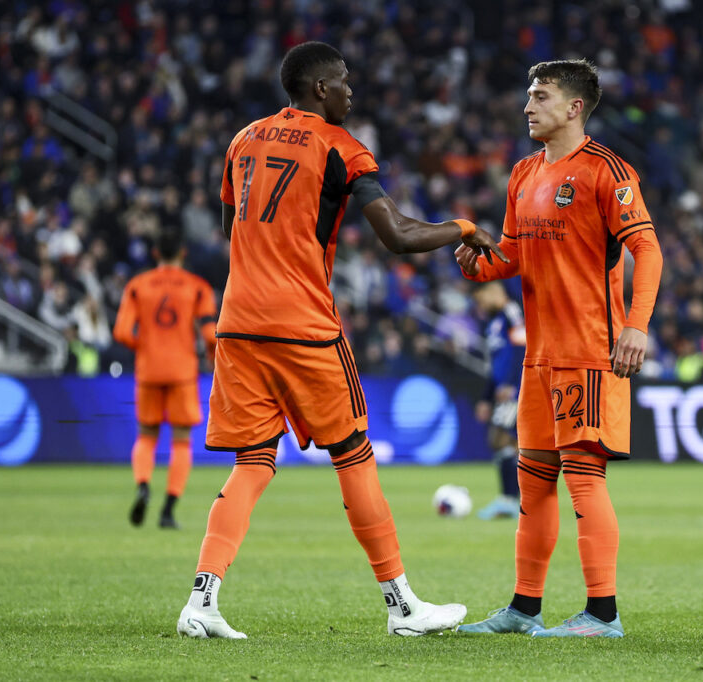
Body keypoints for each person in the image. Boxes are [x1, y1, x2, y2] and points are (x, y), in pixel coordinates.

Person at [176, 41, 506, 640]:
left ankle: (201, 600)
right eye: (344, 82)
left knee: (252, 462)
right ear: (319, 89)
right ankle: (402, 606)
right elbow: (400, 236)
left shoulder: (242, 140)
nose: (352, 92)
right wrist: (463, 226)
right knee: (353, 454)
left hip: (239, 321)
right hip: (303, 324)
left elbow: (233, 228)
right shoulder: (342, 147)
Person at [454, 59, 663, 638]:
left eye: (541, 96)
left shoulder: (607, 171)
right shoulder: (523, 173)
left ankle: (603, 615)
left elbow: (648, 251)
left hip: (590, 351)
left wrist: (637, 325)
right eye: (528, 94)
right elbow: (513, 254)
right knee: (533, 479)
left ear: (574, 108)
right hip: (539, 356)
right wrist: (477, 264)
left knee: (583, 478)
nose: (528, 105)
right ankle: (524, 608)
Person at [113, 228, 218, 529]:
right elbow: (209, 333)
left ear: (155, 253)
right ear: (183, 253)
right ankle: (168, 510)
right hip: (182, 371)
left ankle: (143, 485)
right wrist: (212, 357)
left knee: (146, 435)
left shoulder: (137, 285)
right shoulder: (197, 287)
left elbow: (121, 332)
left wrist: (144, 347)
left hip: (149, 369)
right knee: (182, 442)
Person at [473, 281, 526, 520]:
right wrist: (485, 397)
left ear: (494, 293)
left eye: (482, 299)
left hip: (515, 389)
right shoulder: (492, 324)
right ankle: (512, 499)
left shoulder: (511, 312)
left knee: (502, 438)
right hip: (502, 389)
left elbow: (521, 348)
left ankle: (509, 500)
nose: (480, 305)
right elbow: (494, 365)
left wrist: (513, 384)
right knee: (502, 440)